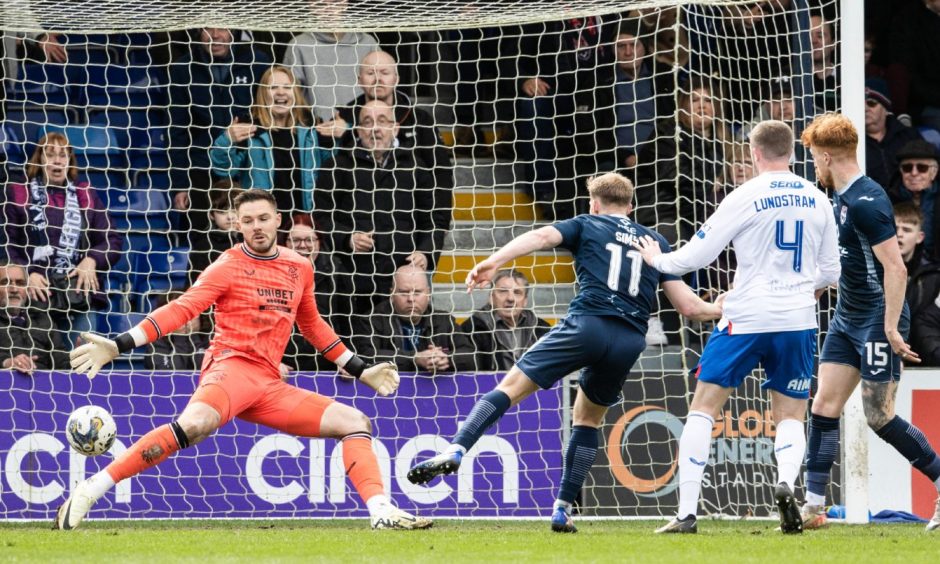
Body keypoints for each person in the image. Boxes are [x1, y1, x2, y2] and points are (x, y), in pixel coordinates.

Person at [57, 189, 430, 531]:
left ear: (278, 220)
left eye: (263, 219)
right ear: (237, 224)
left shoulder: (299, 267)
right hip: (230, 369)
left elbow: (314, 326)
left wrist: (361, 370)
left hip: (268, 384)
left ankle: (381, 511)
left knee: (355, 421)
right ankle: (91, 489)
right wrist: (119, 345)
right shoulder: (227, 265)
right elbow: (182, 309)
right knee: (196, 423)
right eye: (248, 221)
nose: (256, 227)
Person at [406, 173, 722, 533]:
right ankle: (562, 508)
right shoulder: (656, 241)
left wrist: (494, 260)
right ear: (631, 207)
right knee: (587, 419)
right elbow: (689, 308)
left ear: (594, 203)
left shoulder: (586, 223)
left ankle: (457, 449)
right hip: (629, 339)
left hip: (588, 324)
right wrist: (720, 308)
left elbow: (541, 236)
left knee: (510, 387)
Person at [633, 120, 841, 535]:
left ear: (753, 153)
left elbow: (695, 256)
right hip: (797, 320)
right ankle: (785, 482)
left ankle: (687, 513)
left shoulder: (744, 195)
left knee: (704, 408)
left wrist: (657, 259)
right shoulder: (819, 199)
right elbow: (832, 269)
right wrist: (803, 292)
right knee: (790, 416)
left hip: (745, 316)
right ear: (792, 154)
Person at [798, 113, 940, 532]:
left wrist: (893, 327)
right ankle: (811, 508)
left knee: (879, 416)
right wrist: (823, 286)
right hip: (847, 318)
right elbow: (850, 260)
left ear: (825, 155)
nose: (814, 167)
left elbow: (895, 270)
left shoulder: (866, 200)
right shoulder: (840, 197)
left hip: (878, 320)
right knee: (824, 406)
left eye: (813, 158)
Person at [314, 100, 451, 321]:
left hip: (402, 279)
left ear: (395, 128)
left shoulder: (417, 167)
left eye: (382, 121)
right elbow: (320, 218)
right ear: (358, 130)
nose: (375, 128)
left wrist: (426, 251)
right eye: (367, 122)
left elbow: (434, 220)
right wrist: (348, 238)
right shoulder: (337, 166)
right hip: (351, 280)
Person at [3, 132, 123, 347]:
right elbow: (7, 243)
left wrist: (92, 260)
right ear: (39, 159)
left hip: (77, 293)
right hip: (34, 295)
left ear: (70, 161)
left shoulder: (85, 194)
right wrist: (26, 272)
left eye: (63, 155)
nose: (57, 160)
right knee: (38, 365)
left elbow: (111, 240)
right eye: (50, 154)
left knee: (82, 365)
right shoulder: (19, 193)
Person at [209, 65, 344, 231]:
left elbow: (334, 167)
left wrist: (344, 132)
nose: (281, 92)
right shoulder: (250, 129)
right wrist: (227, 139)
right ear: (263, 94)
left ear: (295, 93)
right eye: (273, 87)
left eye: (287, 87)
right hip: (261, 224)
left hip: (304, 225)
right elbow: (224, 170)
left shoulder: (312, 129)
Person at [167, 27, 271, 233]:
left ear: (233, 30)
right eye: (207, 29)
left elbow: (269, 115)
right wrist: (180, 183)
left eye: (221, 28)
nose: (215, 35)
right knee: (202, 237)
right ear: (198, 32)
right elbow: (177, 130)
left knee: (251, 233)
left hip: (246, 166)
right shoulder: (182, 68)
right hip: (200, 170)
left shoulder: (258, 61)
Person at [336, 50, 454, 194]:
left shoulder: (420, 120)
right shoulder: (343, 118)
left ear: (396, 79)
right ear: (359, 80)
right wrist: (343, 133)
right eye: (370, 73)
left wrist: (439, 216)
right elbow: (328, 172)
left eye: (385, 73)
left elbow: (441, 172)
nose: (378, 79)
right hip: (357, 209)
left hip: (409, 210)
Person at [352, 265, 474, 374]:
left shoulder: (444, 321)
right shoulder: (372, 320)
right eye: (404, 292)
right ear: (392, 294)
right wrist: (414, 358)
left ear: (428, 294)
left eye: (417, 292)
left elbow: (472, 356)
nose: (411, 299)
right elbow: (365, 356)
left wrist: (446, 359)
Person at [282, 221, 353, 370]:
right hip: (282, 366)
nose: (303, 245)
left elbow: (347, 323)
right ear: (285, 243)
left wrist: (347, 361)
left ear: (319, 242)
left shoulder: (336, 273)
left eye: (309, 240)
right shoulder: (269, 274)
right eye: (295, 240)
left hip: (327, 366)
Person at [460, 269, 551, 372]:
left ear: (525, 301)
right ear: (491, 298)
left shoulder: (542, 329)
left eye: (517, 292)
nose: (510, 298)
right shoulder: (472, 328)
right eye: (503, 291)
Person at [282, 30, 379, 122]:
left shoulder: (368, 42)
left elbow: (384, 89)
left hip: (364, 128)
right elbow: (290, 95)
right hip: (318, 130)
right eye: (320, 10)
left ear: (344, 10)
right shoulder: (298, 45)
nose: (328, 11)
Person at [0, 262, 70, 373]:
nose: (14, 289)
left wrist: (78, 360)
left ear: (27, 289)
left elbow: (61, 362)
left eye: (20, 283)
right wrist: (6, 362)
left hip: (43, 386)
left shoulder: (43, 318)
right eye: (5, 282)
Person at [864, 79, 922, 193]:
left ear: (885, 108)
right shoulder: (849, 142)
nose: (865, 109)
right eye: (860, 105)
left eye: (871, 103)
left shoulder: (908, 136)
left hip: (908, 203)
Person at [889, 139, 939, 257]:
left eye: (922, 168)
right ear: (901, 171)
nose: (914, 173)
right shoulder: (887, 200)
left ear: (934, 172)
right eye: (907, 168)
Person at [187, 186, 242, 283]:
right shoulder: (204, 246)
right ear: (211, 215)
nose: (230, 217)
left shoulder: (252, 241)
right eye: (222, 212)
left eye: (234, 210)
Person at [144, 291, 210, 372]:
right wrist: (180, 336)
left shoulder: (211, 337)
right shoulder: (157, 342)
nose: (186, 318)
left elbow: (206, 369)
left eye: (191, 313)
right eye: (180, 314)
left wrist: (193, 335)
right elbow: (168, 375)